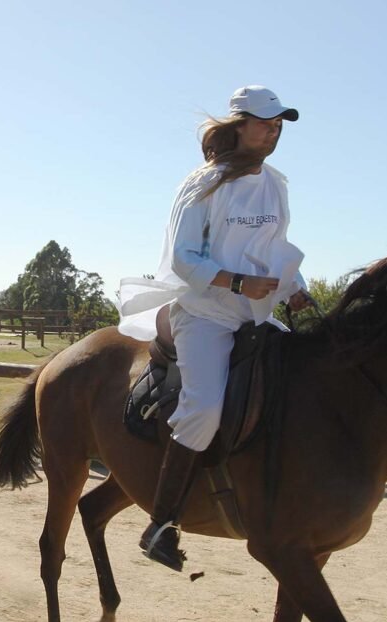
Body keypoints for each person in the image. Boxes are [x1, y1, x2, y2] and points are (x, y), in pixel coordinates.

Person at [117, 86, 310, 571]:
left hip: (257, 313)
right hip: (203, 312)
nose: (274, 130)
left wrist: (296, 287)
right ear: (237, 124)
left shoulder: (276, 184)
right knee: (203, 408)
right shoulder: (202, 183)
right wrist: (240, 282)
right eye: (266, 122)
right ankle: (162, 523)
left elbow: (277, 246)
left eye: (279, 124)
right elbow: (185, 259)